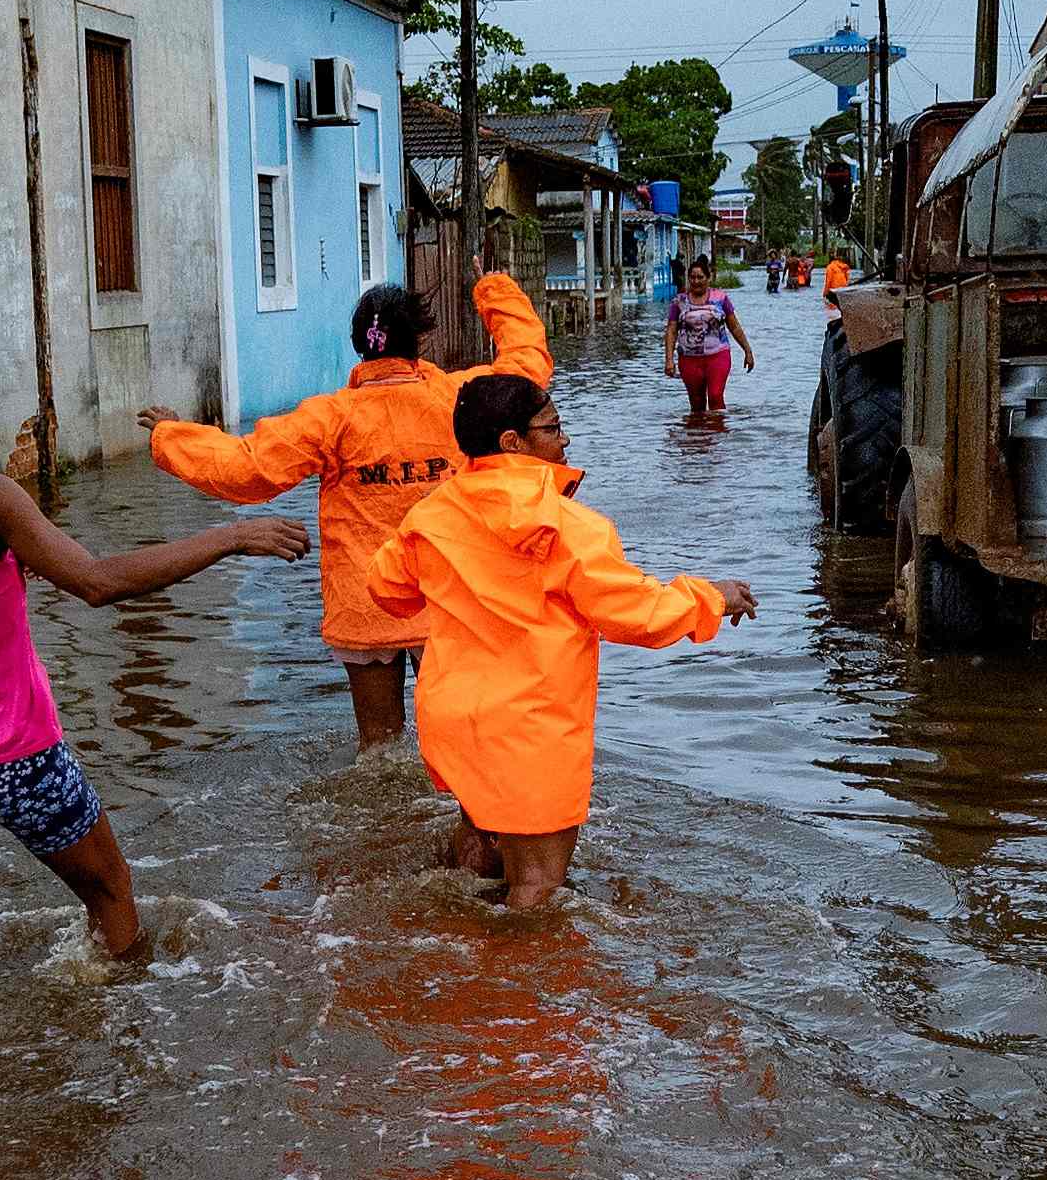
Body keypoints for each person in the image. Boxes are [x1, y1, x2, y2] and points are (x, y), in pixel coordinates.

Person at [0, 324, 305, 1003]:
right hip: (16, 756)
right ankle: (124, 1046)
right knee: (113, 896)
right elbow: (96, 581)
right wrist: (231, 536)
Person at [371, 371, 755, 911]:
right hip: (532, 729)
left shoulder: (429, 516)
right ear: (513, 442)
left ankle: (452, 959)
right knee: (537, 890)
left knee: (476, 853)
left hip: (455, 720)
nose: (565, 439)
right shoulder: (570, 526)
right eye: (553, 427)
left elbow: (386, 590)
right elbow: (637, 615)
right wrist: (711, 597)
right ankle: (514, 986)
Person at [138, 265, 552, 751]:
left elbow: (244, 469)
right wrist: (495, 289)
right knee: (464, 745)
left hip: (366, 600)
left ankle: (379, 827)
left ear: (360, 345)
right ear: (418, 342)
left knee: (378, 749)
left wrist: (171, 435)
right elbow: (527, 367)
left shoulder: (331, 417)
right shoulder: (459, 400)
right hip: (447, 600)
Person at [663, 259, 753, 425]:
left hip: (718, 356)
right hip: (689, 359)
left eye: (700, 277)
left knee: (715, 396)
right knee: (696, 405)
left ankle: (718, 439)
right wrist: (669, 359)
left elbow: (734, 327)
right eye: (692, 277)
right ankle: (698, 441)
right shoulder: (679, 302)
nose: (696, 281)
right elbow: (671, 330)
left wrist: (747, 351)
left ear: (708, 278)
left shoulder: (720, 298)